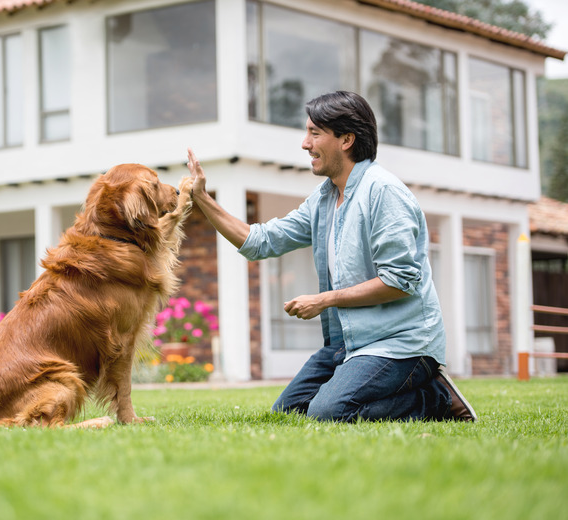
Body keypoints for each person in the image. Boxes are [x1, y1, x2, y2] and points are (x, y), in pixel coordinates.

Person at [186, 91, 476, 422]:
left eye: (314, 133)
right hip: (347, 344)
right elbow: (260, 241)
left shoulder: (383, 193)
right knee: (289, 412)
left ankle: (435, 398)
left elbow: (399, 282)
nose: (304, 143)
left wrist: (325, 300)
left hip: (400, 344)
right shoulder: (324, 200)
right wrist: (203, 199)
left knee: (329, 412)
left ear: (346, 139)